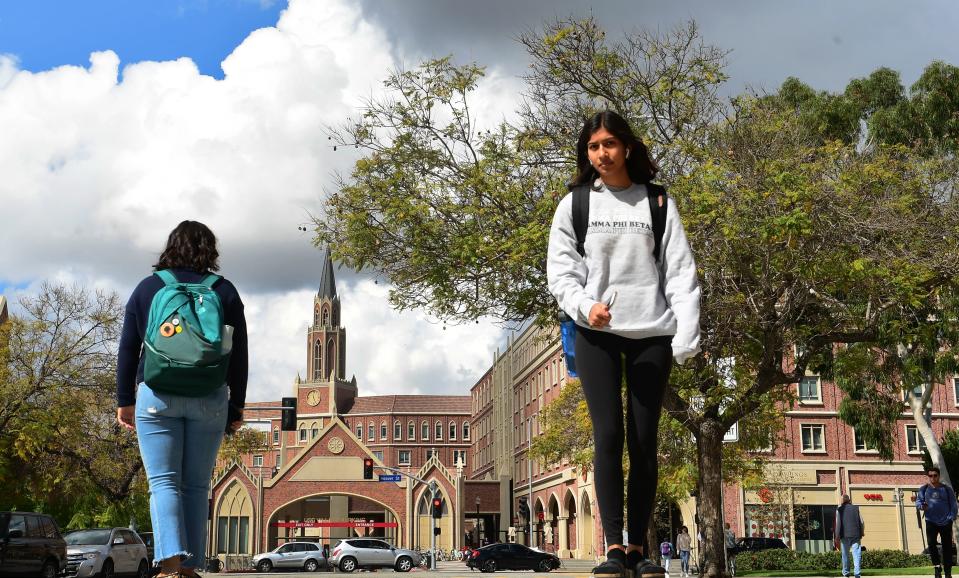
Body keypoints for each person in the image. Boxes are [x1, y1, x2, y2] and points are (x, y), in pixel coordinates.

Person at [547, 110, 701, 578]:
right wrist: (584, 304)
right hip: (596, 334)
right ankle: (613, 547)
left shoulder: (656, 203)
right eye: (594, 147)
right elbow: (561, 270)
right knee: (608, 435)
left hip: (651, 333)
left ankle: (639, 547)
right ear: (587, 152)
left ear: (627, 148)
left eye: (609, 144)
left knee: (644, 439)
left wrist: (687, 336)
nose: (602, 154)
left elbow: (680, 271)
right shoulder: (576, 204)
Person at [116, 220, 248, 578]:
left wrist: (124, 399)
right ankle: (190, 569)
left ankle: (169, 566)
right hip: (209, 397)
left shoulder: (148, 289)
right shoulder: (225, 292)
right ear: (211, 250)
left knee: (163, 482)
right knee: (196, 484)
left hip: (157, 395)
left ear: (170, 246)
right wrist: (237, 407)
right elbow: (238, 354)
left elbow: (129, 347)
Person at [918, 466, 958, 578]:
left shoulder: (946, 489)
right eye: (930, 475)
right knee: (931, 544)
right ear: (928, 476)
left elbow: (954, 504)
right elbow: (918, 502)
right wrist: (922, 506)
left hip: (946, 522)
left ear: (938, 476)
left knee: (947, 547)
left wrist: (951, 517)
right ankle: (937, 567)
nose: (933, 478)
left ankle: (948, 571)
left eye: (935, 475)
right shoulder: (923, 489)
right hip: (930, 521)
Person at [833, 494, 865, 578]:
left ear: (842, 501)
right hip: (856, 535)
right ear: (849, 500)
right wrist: (862, 532)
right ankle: (857, 573)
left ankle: (846, 573)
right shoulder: (856, 508)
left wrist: (836, 536)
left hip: (844, 535)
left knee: (845, 555)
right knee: (856, 554)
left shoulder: (839, 510)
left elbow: (838, 524)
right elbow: (862, 522)